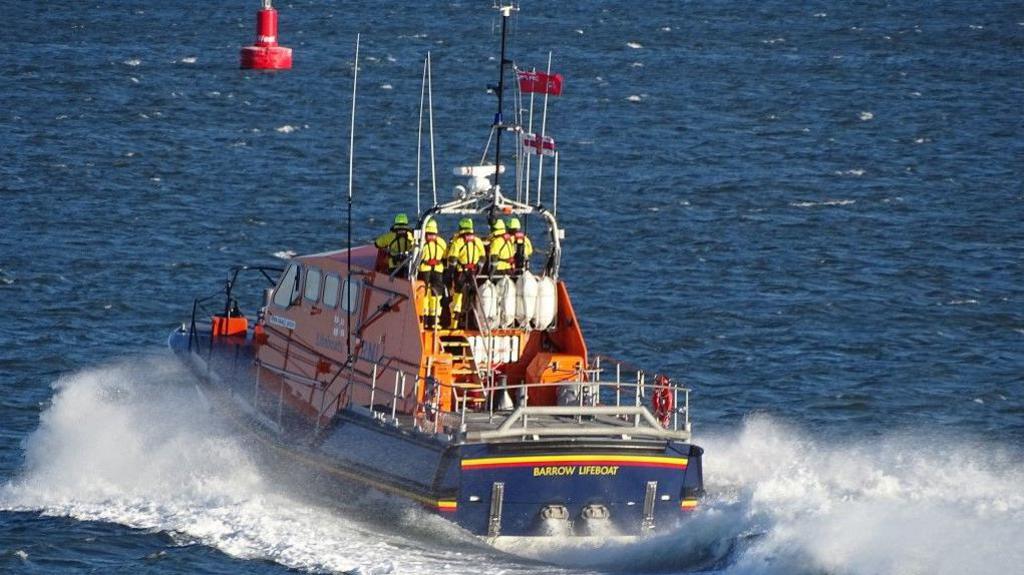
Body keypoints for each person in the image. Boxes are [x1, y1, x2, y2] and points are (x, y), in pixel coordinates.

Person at [445, 218, 485, 329]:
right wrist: (478, 270)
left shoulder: (458, 241)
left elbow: (452, 259)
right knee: (472, 296)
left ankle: (454, 324)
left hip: (460, 273)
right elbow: (482, 257)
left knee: (457, 298)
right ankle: (470, 321)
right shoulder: (477, 241)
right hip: (473, 273)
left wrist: (449, 274)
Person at [417, 219, 447, 328]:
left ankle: (423, 319)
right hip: (438, 270)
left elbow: (416, 255)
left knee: (424, 294)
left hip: (424, 269)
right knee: (436, 295)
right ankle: (435, 321)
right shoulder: (441, 242)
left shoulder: (422, 242)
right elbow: (446, 255)